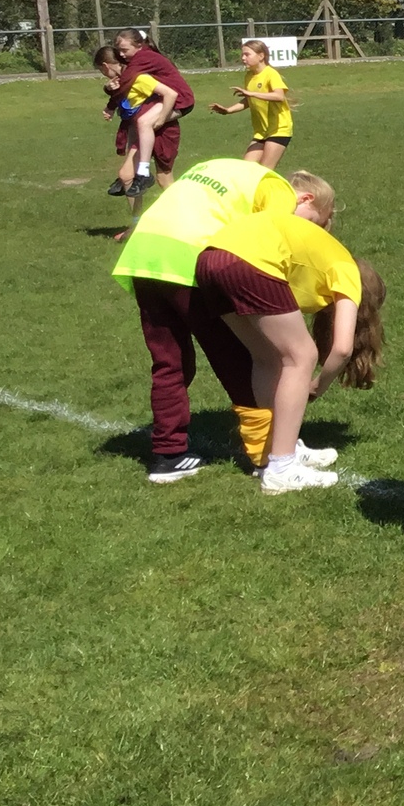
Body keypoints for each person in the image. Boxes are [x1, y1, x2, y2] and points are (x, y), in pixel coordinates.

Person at [111, 158, 335, 483]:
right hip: (188, 257)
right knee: (240, 357)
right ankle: (271, 454)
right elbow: (263, 241)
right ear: (306, 199)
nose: (305, 232)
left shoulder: (224, 169)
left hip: (143, 255)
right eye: (312, 223)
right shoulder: (279, 191)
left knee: (170, 361)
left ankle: (168, 455)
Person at [192, 208, 385, 493]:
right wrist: (318, 385)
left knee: (267, 358)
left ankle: (276, 451)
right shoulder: (347, 271)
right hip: (250, 259)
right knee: (301, 356)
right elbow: (343, 348)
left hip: (209, 259)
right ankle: (282, 467)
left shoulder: (325, 259)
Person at [108, 29, 195, 196]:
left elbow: (126, 81)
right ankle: (132, 174)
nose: (121, 54)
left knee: (144, 122)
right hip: (171, 98)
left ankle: (143, 173)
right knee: (140, 124)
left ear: (139, 45)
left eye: (124, 50)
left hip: (181, 100)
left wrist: (110, 105)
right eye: (119, 50)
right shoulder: (143, 55)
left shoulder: (143, 57)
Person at [96, 45, 181, 200]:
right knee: (127, 175)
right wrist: (109, 92)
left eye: (102, 71)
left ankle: (186, 212)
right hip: (140, 132)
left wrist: (161, 119)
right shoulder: (123, 81)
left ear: (105, 66)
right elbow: (125, 99)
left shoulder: (138, 78)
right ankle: (137, 216)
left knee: (164, 179)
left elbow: (170, 94)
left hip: (161, 130)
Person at [211, 40, 295, 168]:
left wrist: (251, 93)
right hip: (261, 132)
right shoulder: (249, 76)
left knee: (265, 171)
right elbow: (249, 100)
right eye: (242, 55)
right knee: (246, 169)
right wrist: (228, 110)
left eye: (247, 54)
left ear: (261, 56)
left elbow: (279, 96)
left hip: (279, 130)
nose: (243, 58)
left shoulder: (271, 74)